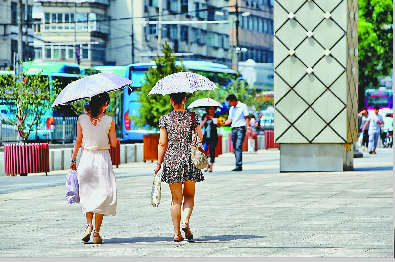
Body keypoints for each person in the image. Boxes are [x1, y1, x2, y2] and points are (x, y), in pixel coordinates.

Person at [154, 92, 204, 242]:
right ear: (184, 99)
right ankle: (185, 222)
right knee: (189, 195)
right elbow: (200, 138)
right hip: (189, 158)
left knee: (176, 199)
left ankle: (177, 233)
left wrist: (158, 163)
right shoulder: (193, 117)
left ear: (170, 100)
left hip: (172, 160)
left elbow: (162, 143)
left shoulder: (165, 119)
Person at [70, 92, 118, 244]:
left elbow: (78, 141)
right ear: (104, 104)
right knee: (102, 196)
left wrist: (73, 159)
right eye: (107, 104)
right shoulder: (109, 120)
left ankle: (89, 225)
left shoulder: (81, 119)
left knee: (87, 194)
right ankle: (96, 232)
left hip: (86, 158)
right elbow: (114, 143)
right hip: (102, 159)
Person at [222, 94, 250, 171]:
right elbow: (230, 120)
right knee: (235, 147)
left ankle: (239, 165)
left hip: (241, 129)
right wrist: (223, 123)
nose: (229, 104)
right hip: (233, 129)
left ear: (234, 100)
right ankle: (238, 164)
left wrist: (248, 128)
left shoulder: (243, 106)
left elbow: (247, 117)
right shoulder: (231, 109)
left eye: (229, 102)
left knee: (238, 146)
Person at [201, 106, 219, 172]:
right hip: (205, 137)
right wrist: (205, 120)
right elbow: (201, 126)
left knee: (212, 150)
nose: (212, 110)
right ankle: (207, 164)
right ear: (207, 109)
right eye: (210, 108)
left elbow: (218, 124)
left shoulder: (216, 115)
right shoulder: (204, 116)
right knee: (203, 151)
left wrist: (212, 118)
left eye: (213, 109)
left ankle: (211, 165)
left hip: (213, 137)